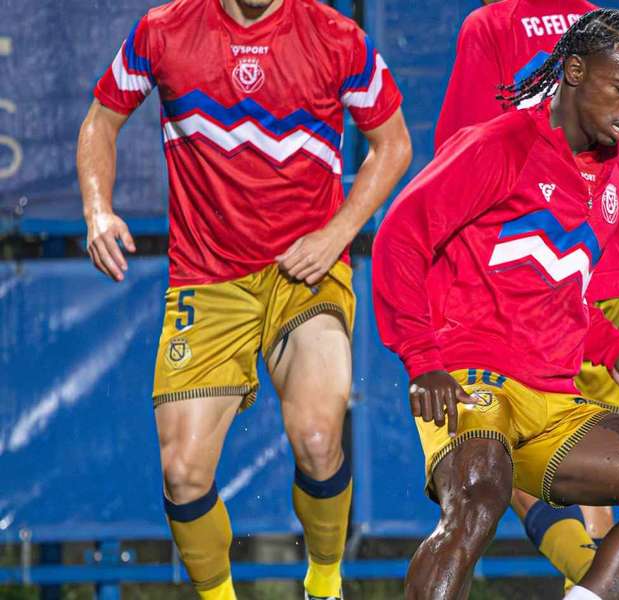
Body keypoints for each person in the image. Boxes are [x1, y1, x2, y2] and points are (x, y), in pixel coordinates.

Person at [373, 9, 619, 600]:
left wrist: (614, 354)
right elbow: (398, 238)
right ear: (575, 72)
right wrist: (421, 358)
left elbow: (556, 288)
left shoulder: (608, 174)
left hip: (551, 396)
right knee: (480, 490)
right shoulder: (499, 144)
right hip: (469, 373)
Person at [76, 0, 411, 598]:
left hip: (305, 273)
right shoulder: (164, 31)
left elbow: (394, 145)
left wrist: (336, 234)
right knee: (182, 476)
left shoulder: (338, 38)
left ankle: (325, 582)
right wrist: (98, 209)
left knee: (316, 437)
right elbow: (101, 118)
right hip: (205, 279)